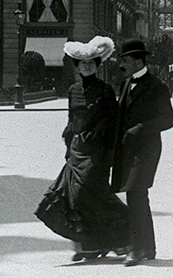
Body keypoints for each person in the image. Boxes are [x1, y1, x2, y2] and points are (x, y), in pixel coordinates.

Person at [35, 36, 129, 261]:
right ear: (77, 67)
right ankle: (90, 244)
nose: (87, 67)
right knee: (75, 197)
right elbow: (71, 120)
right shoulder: (73, 90)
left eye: (91, 63)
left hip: (97, 152)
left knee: (90, 193)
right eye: (83, 64)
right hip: (76, 150)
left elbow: (113, 122)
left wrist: (107, 150)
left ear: (97, 65)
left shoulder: (105, 91)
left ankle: (125, 236)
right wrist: (69, 146)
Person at [112, 38, 173, 266]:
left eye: (126, 60)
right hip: (128, 150)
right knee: (139, 196)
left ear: (139, 61)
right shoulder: (126, 84)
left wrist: (141, 128)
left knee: (135, 194)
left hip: (147, 149)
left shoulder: (157, 86)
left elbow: (168, 120)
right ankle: (148, 246)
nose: (122, 65)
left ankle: (135, 249)